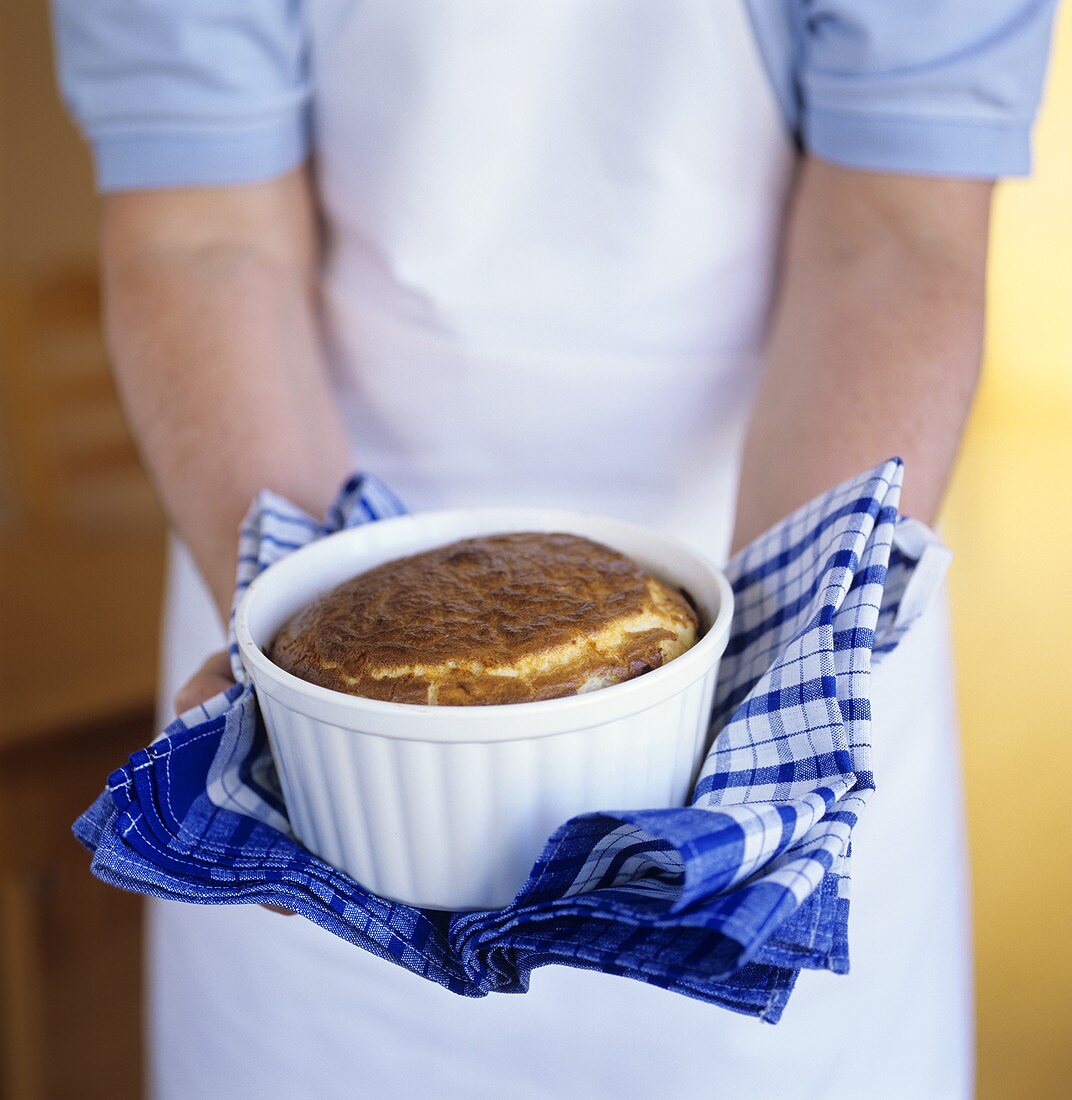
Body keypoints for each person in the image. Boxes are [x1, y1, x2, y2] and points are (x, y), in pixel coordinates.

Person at [51, 2, 1056, 1096]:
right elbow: (203, 238)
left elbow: (893, 233)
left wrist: (772, 670)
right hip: (312, 535)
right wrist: (306, 670)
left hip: (779, 552)